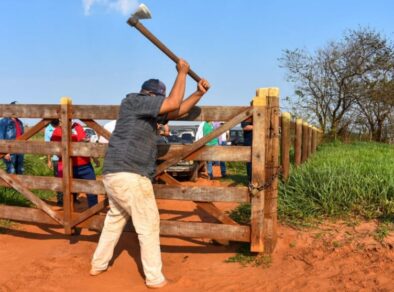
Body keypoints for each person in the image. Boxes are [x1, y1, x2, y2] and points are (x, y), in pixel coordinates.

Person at [90, 59, 210, 289]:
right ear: (152, 96)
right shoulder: (136, 101)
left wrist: (198, 93)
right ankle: (155, 278)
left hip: (117, 174)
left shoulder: (145, 110)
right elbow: (173, 102)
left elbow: (178, 108)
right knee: (148, 224)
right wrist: (182, 73)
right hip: (130, 174)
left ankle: (98, 264)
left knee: (115, 220)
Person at [50, 121, 99, 207]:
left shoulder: (78, 126)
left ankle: (94, 211)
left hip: (85, 164)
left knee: (92, 189)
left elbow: (86, 145)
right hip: (68, 166)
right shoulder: (57, 131)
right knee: (69, 192)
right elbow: (56, 150)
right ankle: (70, 215)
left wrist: (94, 158)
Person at [0, 101, 24, 174]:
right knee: (11, 171)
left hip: (20, 150)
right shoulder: (4, 121)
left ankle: (19, 185)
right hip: (9, 151)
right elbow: (1, 136)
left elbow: (22, 136)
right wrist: (5, 152)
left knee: (20, 170)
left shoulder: (20, 122)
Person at [44, 119, 63, 206]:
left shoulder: (63, 126)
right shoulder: (48, 130)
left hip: (67, 158)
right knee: (58, 179)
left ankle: (73, 198)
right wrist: (49, 160)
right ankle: (60, 200)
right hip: (56, 158)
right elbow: (48, 146)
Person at [241, 117, 253, 183]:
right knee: (250, 163)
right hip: (249, 142)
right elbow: (245, 127)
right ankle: (250, 180)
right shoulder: (247, 116)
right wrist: (258, 126)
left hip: (260, 142)